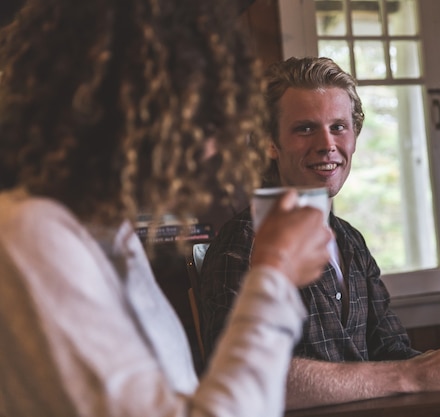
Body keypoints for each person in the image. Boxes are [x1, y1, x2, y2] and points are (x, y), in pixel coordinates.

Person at [198, 56, 440, 417]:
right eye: (305, 129)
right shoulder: (243, 244)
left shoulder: (349, 241)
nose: (327, 144)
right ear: (270, 142)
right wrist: (411, 375)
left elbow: (392, 352)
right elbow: (245, 379)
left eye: (339, 127)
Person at [0, 1, 333, 416]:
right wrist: (275, 274)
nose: (213, 145)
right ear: (109, 104)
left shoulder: (107, 235)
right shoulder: (32, 237)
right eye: (197, 111)